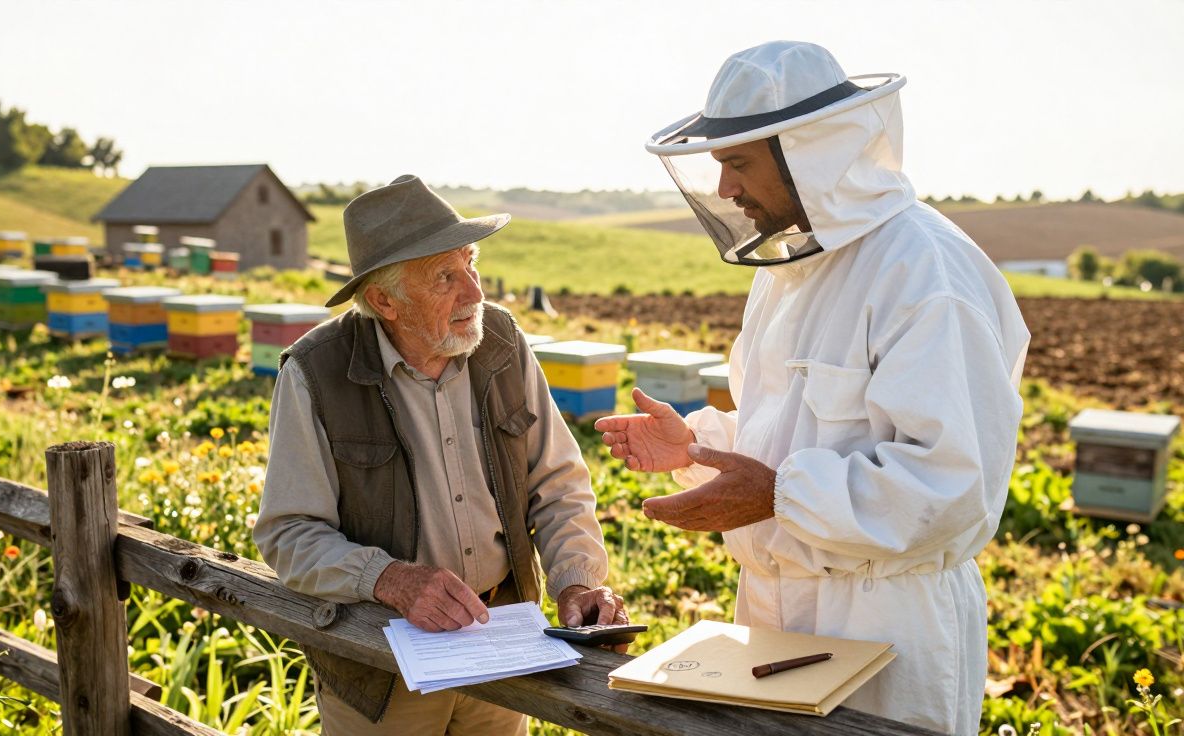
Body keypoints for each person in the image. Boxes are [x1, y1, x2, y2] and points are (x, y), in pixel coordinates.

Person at [595, 41, 1029, 735]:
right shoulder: (786, 274)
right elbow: (796, 435)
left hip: (886, 625)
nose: (725, 192)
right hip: (772, 619)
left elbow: (953, 485)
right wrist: (701, 444)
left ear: (812, 152)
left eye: (738, 164)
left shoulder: (925, 272)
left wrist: (773, 495)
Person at [255, 175, 625, 736]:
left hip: (500, 640)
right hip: (379, 662)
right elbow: (289, 535)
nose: (475, 292)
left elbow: (557, 482)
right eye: (445, 277)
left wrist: (575, 580)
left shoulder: (501, 343)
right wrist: (390, 579)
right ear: (383, 301)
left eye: (470, 263)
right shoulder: (316, 372)